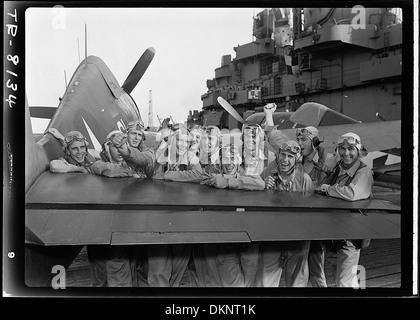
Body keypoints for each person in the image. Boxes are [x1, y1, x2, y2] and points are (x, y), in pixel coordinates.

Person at [201, 143, 264, 287]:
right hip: (226, 241)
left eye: (234, 159)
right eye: (226, 159)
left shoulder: (247, 174)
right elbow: (195, 177)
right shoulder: (212, 177)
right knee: (233, 284)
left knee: (249, 284)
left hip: (249, 241)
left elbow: (261, 184)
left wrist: (229, 181)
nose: (230, 164)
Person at [315, 132, 373, 288]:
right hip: (334, 234)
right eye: (342, 148)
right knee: (339, 280)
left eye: (351, 149)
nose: (346, 153)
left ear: (358, 151)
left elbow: (352, 194)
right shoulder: (338, 168)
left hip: (351, 238)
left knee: (344, 283)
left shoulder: (364, 172)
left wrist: (328, 188)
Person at [257, 140, 314, 287]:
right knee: (265, 282)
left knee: (297, 283)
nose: (285, 160)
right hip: (272, 237)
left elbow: (312, 211)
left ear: (296, 159)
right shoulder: (267, 174)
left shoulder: (304, 180)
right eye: (283, 155)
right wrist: (263, 187)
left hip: (298, 238)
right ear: (278, 155)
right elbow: (256, 203)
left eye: (290, 156)